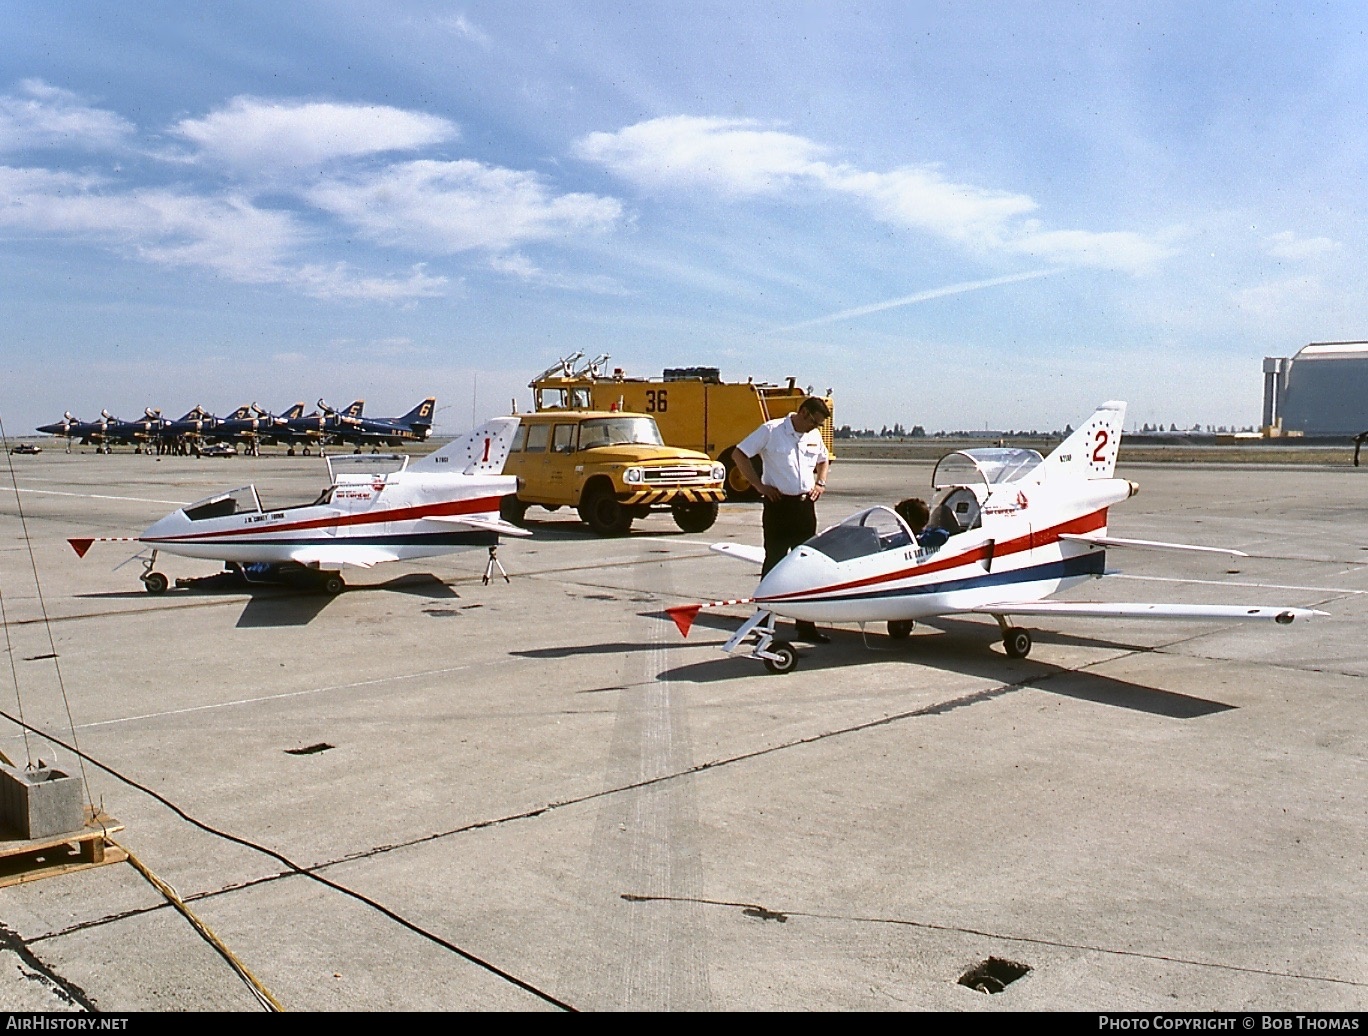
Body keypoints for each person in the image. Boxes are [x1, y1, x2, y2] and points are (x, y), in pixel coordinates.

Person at [732, 397, 833, 643]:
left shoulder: (813, 436)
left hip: (804, 508)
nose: (815, 428)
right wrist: (759, 486)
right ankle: (763, 626)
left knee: (806, 567)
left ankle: (806, 626)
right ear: (804, 412)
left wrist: (820, 483)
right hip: (778, 507)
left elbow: (823, 460)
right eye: (814, 422)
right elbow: (739, 455)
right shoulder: (772, 430)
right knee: (774, 566)